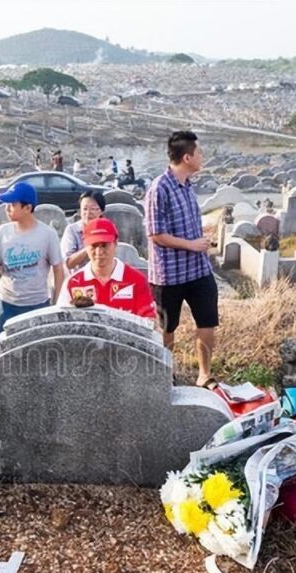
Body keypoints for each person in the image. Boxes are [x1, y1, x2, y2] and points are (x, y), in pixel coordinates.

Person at [145, 130, 219, 389]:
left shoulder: (188, 185)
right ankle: (165, 373)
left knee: (207, 320)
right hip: (170, 274)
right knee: (168, 327)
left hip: (198, 269)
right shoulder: (159, 188)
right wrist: (191, 244)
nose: (202, 157)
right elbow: (156, 234)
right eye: (199, 153)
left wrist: (202, 239)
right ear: (187, 157)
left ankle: (204, 374)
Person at [0, 181, 64, 332]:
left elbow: (58, 268)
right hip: (7, 302)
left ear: (28, 208)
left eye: (12, 205)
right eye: (6, 204)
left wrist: (56, 302)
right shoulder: (3, 232)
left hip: (37, 303)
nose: (7, 209)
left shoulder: (47, 234)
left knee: (36, 348)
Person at [58, 217, 156, 319]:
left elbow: (149, 322)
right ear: (85, 246)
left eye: (104, 245)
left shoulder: (136, 280)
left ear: (116, 243)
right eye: (94, 246)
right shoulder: (73, 283)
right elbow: (61, 322)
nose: (99, 252)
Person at [61, 190, 105, 273]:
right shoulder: (72, 230)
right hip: (78, 280)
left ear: (101, 211)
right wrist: (91, 246)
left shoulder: (107, 230)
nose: (88, 213)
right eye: (84, 209)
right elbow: (68, 263)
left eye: (93, 209)